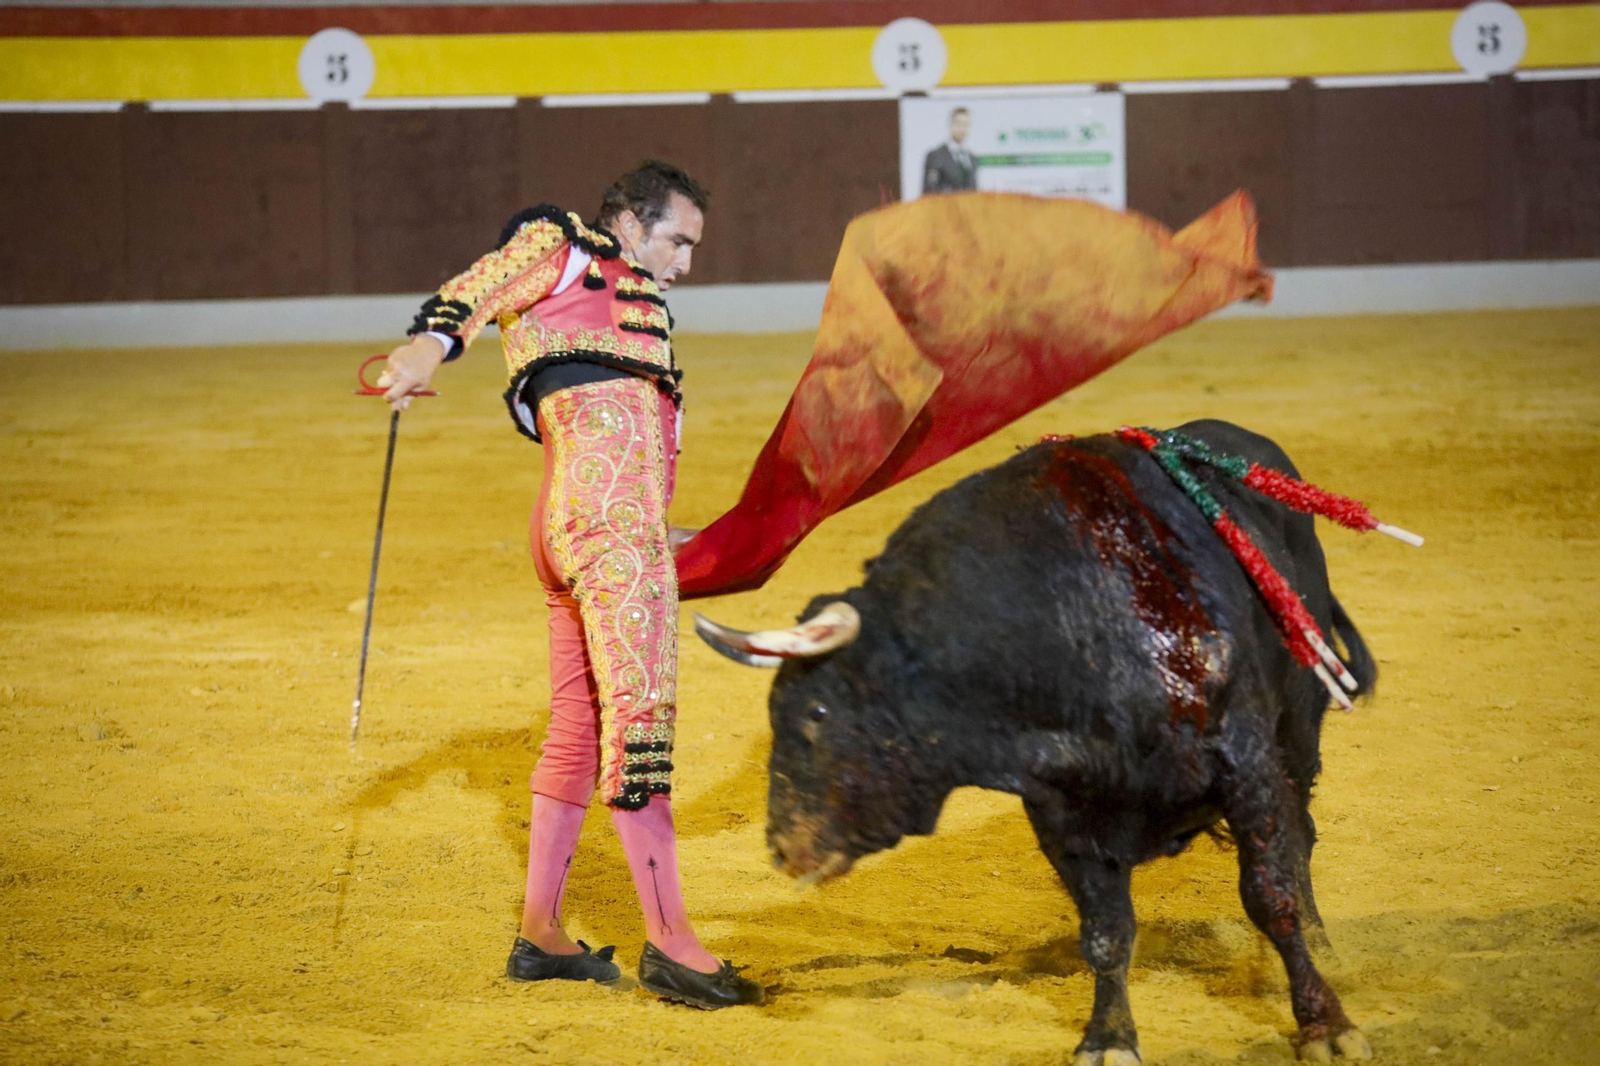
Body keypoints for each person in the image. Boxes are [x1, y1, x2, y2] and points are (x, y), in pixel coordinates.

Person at [376, 160, 764, 1010]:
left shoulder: (633, 298)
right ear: (628, 221)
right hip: (604, 526)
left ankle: (543, 934)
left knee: (580, 726)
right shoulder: (565, 244)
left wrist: (669, 531)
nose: (687, 264)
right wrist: (423, 347)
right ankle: (671, 944)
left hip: (577, 523)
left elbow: (624, 435)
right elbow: (477, 288)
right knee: (642, 721)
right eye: (679, 240)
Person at [921, 107, 978, 195]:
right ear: (951, 124)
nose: (962, 128)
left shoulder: (972, 158)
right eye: (959, 123)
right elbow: (929, 191)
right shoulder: (936, 155)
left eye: (966, 124)